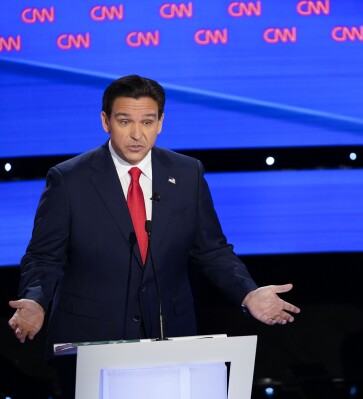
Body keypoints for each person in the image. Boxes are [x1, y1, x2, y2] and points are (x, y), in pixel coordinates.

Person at [7, 74, 300, 398]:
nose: (137, 134)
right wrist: (35, 299)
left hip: (168, 337)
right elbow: (43, 256)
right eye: (124, 121)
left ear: (160, 122)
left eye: (147, 121)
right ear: (106, 121)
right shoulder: (68, 179)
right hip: (89, 343)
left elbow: (212, 250)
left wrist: (248, 293)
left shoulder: (187, 173)